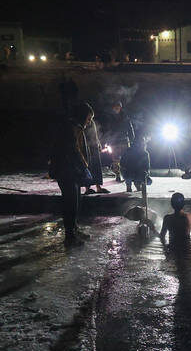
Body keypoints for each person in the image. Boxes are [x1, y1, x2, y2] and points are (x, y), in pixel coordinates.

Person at [49, 101, 95, 246]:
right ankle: (70, 236)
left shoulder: (75, 126)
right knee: (70, 203)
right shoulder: (71, 127)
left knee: (76, 201)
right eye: (88, 119)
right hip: (67, 171)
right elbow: (73, 150)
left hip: (72, 170)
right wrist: (84, 166)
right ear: (82, 116)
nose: (89, 122)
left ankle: (74, 229)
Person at [104, 101, 135, 182]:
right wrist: (107, 141)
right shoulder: (110, 118)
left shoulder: (125, 117)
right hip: (114, 142)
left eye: (117, 107)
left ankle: (127, 175)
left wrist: (132, 139)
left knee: (126, 159)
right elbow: (108, 130)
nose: (116, 108)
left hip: (124, 140)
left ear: (120, 108)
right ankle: (118, 175)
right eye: (115, 107)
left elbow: (130, 128)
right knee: (115, 160)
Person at [82, 113, 109, 195]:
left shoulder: (92, 122)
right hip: (87, 146)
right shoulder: (83, 122)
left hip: (94, 146)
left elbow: (95, 134)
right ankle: (87, 188)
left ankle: (98, 187)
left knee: (97, 166)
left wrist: (99, 143)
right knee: (88, 166)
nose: (90, 118)